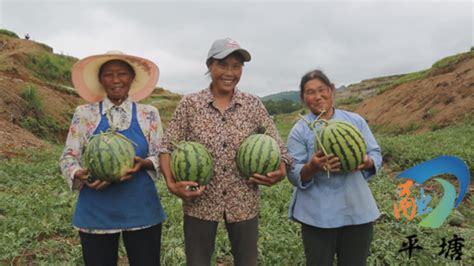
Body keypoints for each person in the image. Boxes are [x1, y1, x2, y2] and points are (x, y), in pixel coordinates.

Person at [159, 38, 291, 266]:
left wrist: (280, 171)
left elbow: (280, 148)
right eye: (223, 64)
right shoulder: (190, 104)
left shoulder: (253, 105)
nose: (230, 72)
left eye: (236, 66)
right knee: (197, 262)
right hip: (199, 200)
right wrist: (172, 184)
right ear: (210, 66)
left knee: (247, 262)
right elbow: (166, 147)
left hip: (243, 200)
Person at [59, 51, 166, 265]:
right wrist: (80, 173)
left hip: (142, 210)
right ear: (101, 80)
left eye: (122, 74)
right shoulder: (84, 114)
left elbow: (161, 155)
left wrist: (143, 163)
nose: (116, 80)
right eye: (108, 74)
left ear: (131, 78)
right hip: (96, 212)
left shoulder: (149, 114)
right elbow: (68, 158)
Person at [287, 69, 382, 266]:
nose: (318, 96)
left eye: (322, 89)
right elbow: (294, 172)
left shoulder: (355, 121)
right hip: (317, 216)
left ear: (331, 90)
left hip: (357, 210)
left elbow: (375, 153)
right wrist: (312, 167)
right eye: (310, 92)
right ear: (303, 98)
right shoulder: (300, 130)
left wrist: (366, 161)